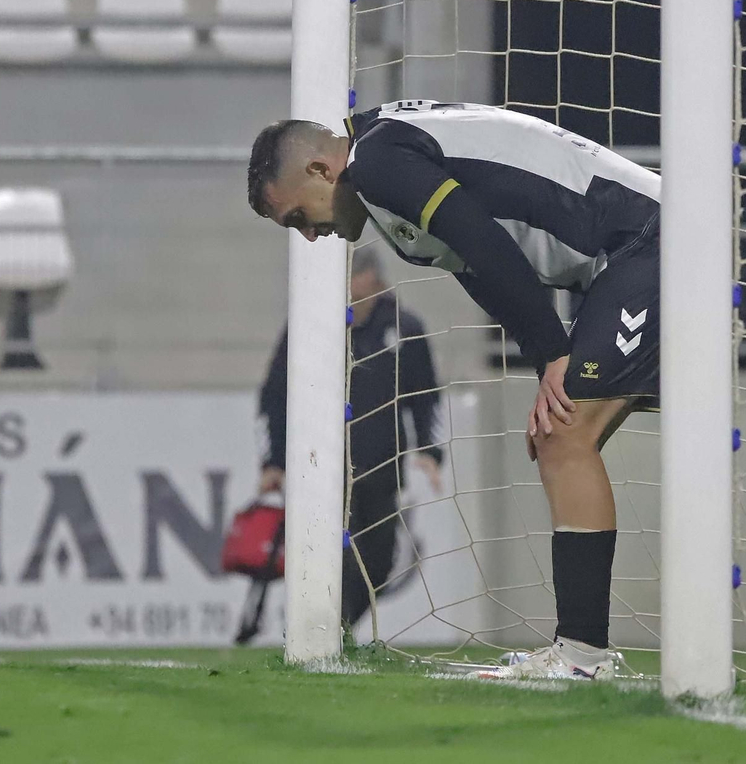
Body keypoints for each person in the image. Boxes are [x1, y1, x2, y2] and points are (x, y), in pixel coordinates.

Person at [245, 99, 660, 681]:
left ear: (320, 170)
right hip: (629, 252)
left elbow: (485, 243)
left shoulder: (378, 161)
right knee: (561, 435)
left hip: (644, 239)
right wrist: (548, 352)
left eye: (298, 218)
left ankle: (582, 657)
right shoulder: (382, 152)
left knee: (563, 433)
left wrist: (553, 354)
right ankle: (583, 653)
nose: (311, 236)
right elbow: (478, 267)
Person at [256, 246, 444, 630]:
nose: (350, 296)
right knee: (333, 553)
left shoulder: (405, 328)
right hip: (324, 465)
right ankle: (326, 630)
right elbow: (275, 395)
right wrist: (274, 460)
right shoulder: (310, 325)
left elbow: (425, 396)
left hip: (383, 464)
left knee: (379, 558)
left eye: (355, 287)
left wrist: (429, 450)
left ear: (373, 281)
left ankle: (339, 628)